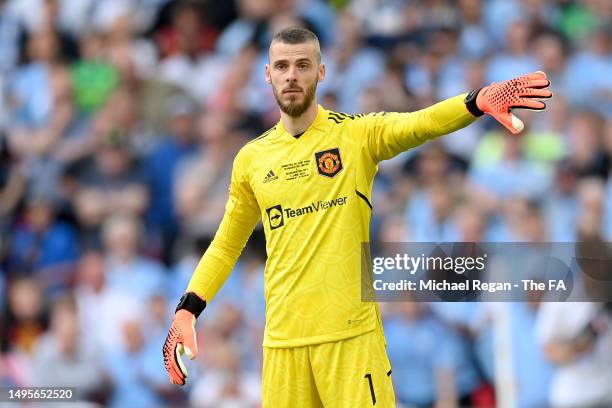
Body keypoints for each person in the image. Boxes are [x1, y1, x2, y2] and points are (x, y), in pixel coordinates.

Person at [163, 27, 552, 406]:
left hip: (350, 338)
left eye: (302, 65)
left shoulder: (356, 136)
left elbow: (421, 123)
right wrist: (187, 310)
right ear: (267, 74)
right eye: (281, 66)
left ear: (321, 72)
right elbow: (227, 244)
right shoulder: (251, 159)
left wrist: (476, 101)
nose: (291, 76)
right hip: (283, 342)